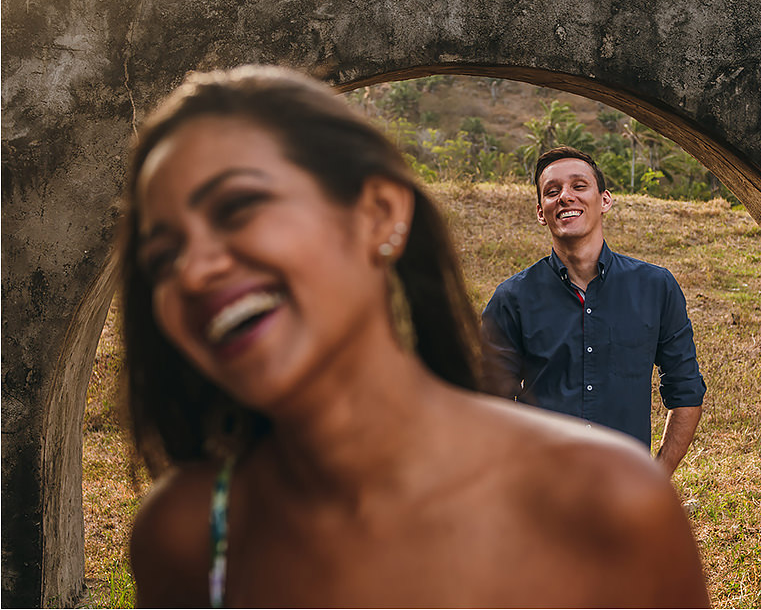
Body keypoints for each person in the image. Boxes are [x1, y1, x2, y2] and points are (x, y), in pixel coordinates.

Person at [120, 66, 709, 608]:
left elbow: (684, 387)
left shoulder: (617, 501)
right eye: (163, 256)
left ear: (378, 213)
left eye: (239, 207)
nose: (194, 272)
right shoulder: (187, 536)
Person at [481, 146, 706, 475]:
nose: (565, 197)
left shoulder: (656, 287)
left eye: (579, 186)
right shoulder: (511, 298)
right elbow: (489, 407)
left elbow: (685, 390)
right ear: (541, 212)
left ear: (605, 200)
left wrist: (656, 479)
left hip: (625, 487)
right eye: (552, 191)